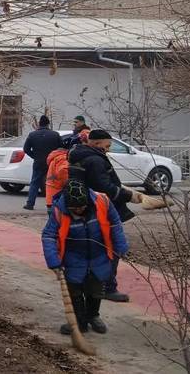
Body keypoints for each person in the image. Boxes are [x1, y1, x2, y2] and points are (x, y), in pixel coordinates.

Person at [68, 129, 147, 303]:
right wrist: (128, 196)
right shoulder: (95, 159)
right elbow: (103, 186)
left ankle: (92, 285)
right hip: (101, 210)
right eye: (107, 145)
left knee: (94, 249)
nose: (109, 149)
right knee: (111, 248)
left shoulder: (79, 155)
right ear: (96, 143)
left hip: (88, 208)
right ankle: (107, 287)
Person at [42, 180, 128, 335]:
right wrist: (54, 261)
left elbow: (115, 223)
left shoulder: (102, 202)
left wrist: (120, 246)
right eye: (74, 209)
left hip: (99, 254)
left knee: (96, 290)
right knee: (74, 290)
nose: (78, 211)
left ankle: (93, 316)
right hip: (73, 257)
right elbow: (49, 235)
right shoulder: (59, 210)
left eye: (81, 207)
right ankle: (79, 321)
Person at [22, 115, 62, 210]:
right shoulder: (55, 135)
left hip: (38, 162)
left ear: (39, 124)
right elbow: (61, 148)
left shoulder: (32, 135)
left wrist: (35, 156)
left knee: (35, 183)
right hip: (52, 162)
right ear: (48, 124)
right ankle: (54, 204)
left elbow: (26, 149)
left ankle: (30, 204)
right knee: (53, 183)